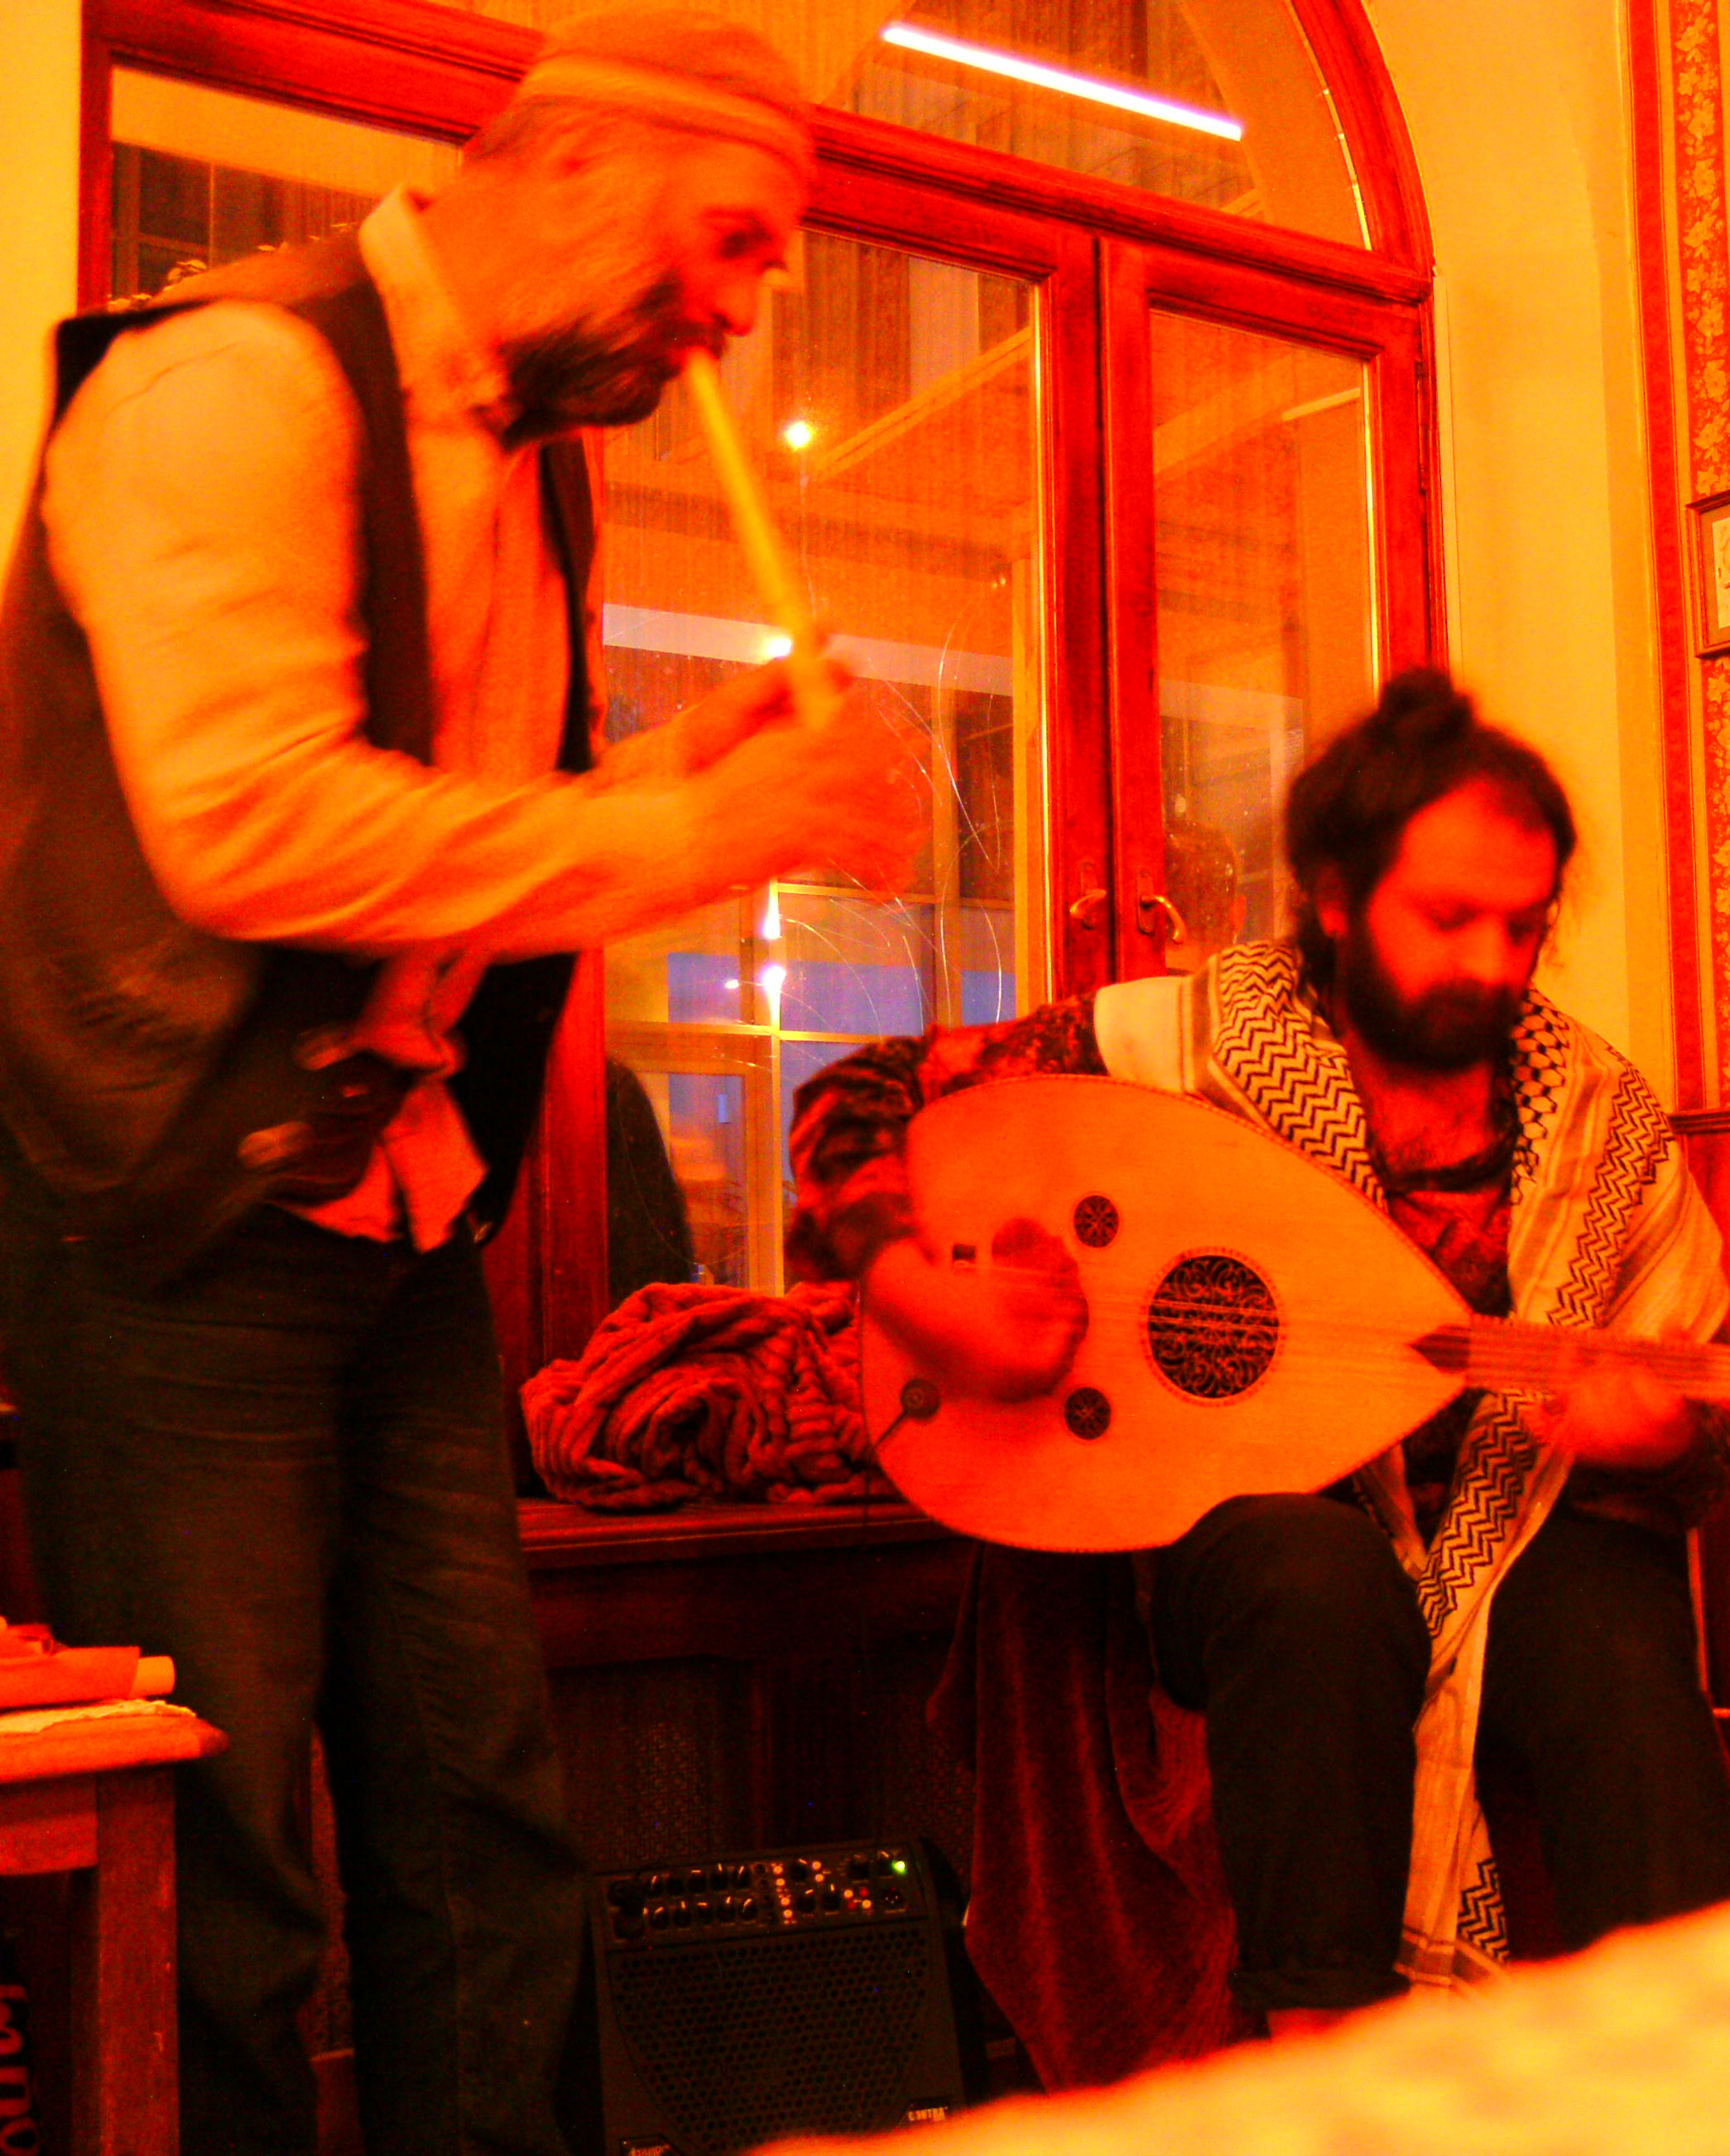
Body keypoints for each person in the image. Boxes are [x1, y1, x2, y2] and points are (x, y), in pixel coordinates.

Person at [0, 12, 971, 2152]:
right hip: (174, 1213)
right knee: (222, 1862)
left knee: (481, 1824)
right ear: (577, 166)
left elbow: (456, 827)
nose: (745, 304)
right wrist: (688, 837)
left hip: (395, 1207)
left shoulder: (543, 450)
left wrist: (668, 773)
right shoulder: (228, 386)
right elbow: (249, 828)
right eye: (734, 240)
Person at [790, 670, 1730, 2040]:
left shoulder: (1599, 1117)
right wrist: (923, 1297)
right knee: (1313, 1576)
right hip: (1237, 1540)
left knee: (1613, 1611)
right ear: (1338, 898)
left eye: (1526, 927)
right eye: (1449, 919)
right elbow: (852, 1099)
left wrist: (1658, 1442)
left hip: (1502, 1530)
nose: (1494, 964)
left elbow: (1702, 1442)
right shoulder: (1175, 1044)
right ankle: (1322, 2053)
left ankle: (1701, 2053)